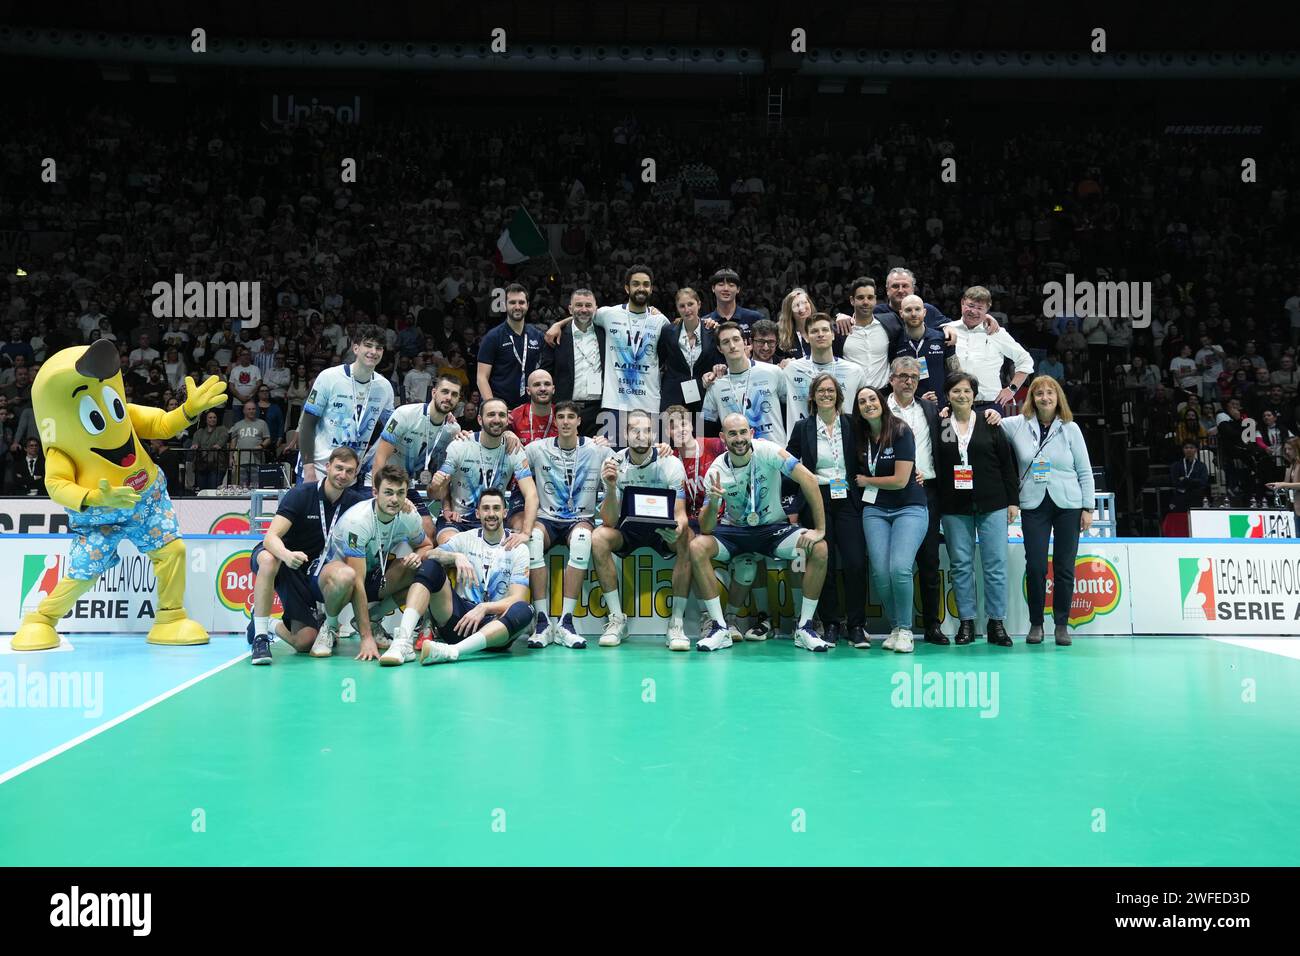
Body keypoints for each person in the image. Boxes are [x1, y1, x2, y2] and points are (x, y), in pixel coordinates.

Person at [689, 412, 830, 652]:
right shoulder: (716, 469)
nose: (739, 438)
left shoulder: (768, 451)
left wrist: (820, 529)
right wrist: (713, 503)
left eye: (743, 432)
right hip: (735, 532)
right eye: (732, 434)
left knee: (819, 548)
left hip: (772, 529)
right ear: (723, 438)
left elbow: (808, 479)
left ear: (751, 433)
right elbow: (707, 527)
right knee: (696, 546)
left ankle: (804, 627)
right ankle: (720, 628)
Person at [382, 489, 533, 666]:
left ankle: (454, 651)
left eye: (496, 508)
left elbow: (518, 597)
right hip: (458, 621)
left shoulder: (518, 548)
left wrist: (485, 608)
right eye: (485, 508)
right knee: (431, 567)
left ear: (505, 513)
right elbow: (430, 554)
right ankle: (403, 642)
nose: (491, 514)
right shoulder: (465, 538)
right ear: (478, 513)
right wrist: (455, 557)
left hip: (494, 628)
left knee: (525, 609)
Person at [996, 376, 1096, 646]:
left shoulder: (1071, 428)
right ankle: (1036, 624)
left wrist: (1088, 507)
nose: (1045, 398)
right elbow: (992, 418)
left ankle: (1062, 625)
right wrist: (988, 411)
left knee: (1064, 567)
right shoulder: (1018, 425)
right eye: (1039, 393)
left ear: (1058, 397)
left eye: (1050, 393)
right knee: (1036, 566)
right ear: (1032, 399)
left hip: (1069, 505)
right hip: (1033, 504)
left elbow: (1084, 471)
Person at [245, 447, 368, 664]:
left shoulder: (355, 503)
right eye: (339, 468)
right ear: (328, 467)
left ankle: (267, 622)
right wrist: (286, 554)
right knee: (268, 559)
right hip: (281, 557)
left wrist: (406, 505)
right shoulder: (301, 494)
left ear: (355, 475)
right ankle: (261, 638)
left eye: (349, 471)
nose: (343, 475)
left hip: (309, 570)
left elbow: (381, 509)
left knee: (305, 642)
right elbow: (270, 538)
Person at [592, 408, 692, 649]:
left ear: (652, 435)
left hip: (662, 532)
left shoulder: (670, 462)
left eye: (646, 431)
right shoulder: (612, 464)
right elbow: (608, 520)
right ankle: (617, 619)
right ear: (626, 435)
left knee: (687, 537)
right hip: (628, 531)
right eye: (635, 430)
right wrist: (612, 486)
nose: (641, 435)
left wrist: (678, 530)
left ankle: (676, 623)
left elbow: (681, 515)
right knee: (598, 538)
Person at [933, 373, 1020, 647]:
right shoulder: (941, 424)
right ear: (948, 395)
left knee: (995, 564)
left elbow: (1008, 464)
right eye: (956, 391)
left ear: (974, 395)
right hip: (953, 506)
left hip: (992, 502)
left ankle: (996, 623)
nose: (962, 395)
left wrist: (1013, 501)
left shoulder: (989, 422)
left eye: (967, 391)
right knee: (961, 566)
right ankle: (966, 623)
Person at [312, 464, 433, 661]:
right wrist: (366, 638)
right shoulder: (358, 522)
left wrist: (418, 555)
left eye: (400, 493)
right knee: (347, 577)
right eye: (388, 493)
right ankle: (330, 626)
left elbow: (426, 545)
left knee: (421, 571)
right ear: (375, 492)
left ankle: (375, 617)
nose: (394, 499)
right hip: (333, 580)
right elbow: (357, 581)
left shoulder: (409, 516)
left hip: (373, 574)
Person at [524, 401, 614, 648]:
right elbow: (506, 451)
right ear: (555, 421)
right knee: (532, 539)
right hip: (547, 519)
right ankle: (541, 621)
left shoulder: (597, 450)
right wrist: (508, 435)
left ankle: (565, 621)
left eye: (570, 417)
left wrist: (663, 449)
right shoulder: (537, 449)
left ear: (578, 421)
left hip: (579, 520)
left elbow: (628, 460)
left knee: (583, 541)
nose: (565, 421)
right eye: (561, 416)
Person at [785, 374, 866, 646]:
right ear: (813, 396)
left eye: (831, 391)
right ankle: (831, 622)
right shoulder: (803, 427)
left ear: (839, 396)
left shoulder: (852, 424)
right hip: (816, 496)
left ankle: (856, 625)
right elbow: (790, 466)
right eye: (821, 391)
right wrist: (794, 505)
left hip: (848, 497)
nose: (826, 395)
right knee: (825, 561)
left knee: (855, 561)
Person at [853, 385, 929, 653]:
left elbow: (899, 480)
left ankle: (906, 630)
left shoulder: (900, 430)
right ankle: (896, 627)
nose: (868, 404)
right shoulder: (859, 435)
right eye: (862, 401)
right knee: (881, 573)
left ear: (881, 402)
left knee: (899, 568)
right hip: (875, 509)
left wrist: (867, 480)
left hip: (909, 506)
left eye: (872, 398)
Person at [430, 397, 537, 546]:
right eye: (491, 414)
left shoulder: (514, 450)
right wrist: (437, 488)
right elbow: (434, 492)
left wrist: (526, 533)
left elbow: (531, 494)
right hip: (458, 519)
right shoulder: (460, 445)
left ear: (507, 420)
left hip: (493, 519)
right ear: (480, 419)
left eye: (501, 415)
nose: (496, 419)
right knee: (451, 545)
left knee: (520, 546)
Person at [296, 325, 395, 486]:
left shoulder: (384, 387)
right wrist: (309, 470)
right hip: (318, 469)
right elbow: (307, 424)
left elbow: (393, 429)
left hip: (350, 474)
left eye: (379, 348)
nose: (373, 351)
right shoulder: (329, 377)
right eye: (368, 345)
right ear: (356, 348)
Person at [373, 375, 463, 542]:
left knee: (428, 534)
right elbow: (380, 456)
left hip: (407, 485)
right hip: (381, 481)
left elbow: (445, 475)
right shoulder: (405, 414)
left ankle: (406, 561)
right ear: (434, 393)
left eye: (454, 394)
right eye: (444, 392)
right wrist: (377, 491)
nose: (448, 397)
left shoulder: (452, 430)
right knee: (382, 530)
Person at [942, 287, 1034, 414]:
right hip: (953, 405)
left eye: (979, 308)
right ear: (962, 302)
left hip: (989, 406)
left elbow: (1025, 360)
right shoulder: (947, 329)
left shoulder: (996, 333)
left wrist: (1011, 389)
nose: (973, 311)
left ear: (987, 309)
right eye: (970, 305)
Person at [702, 321, 787, 445]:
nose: (732, 346)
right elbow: (704, 426)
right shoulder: (716, 384)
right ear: (720, 349)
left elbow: (791, 408)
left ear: (746, 343)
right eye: (726, 342)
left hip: (776, 453)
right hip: (739, 457)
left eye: (736, 339)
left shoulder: (773, 372)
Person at [782, 313, 866, 430]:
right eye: (814, 331)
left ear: (833, 335)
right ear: (806, 337)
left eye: (825, 330)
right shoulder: (791, 370)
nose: (820, 334)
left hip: (844, 441)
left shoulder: (854, 371)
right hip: (802, 443)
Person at [541, 288, 605, 434]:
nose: (583, 309)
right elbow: (546, 373)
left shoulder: (605, 333)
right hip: (565, 409)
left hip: (598, 409)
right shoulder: (556, 336)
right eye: (579, 305)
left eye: (588, 305)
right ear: (570, 309)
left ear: (595, 309)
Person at [476, 283, 546, 410]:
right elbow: (481, 377)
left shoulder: (537, 335)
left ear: (528, 305)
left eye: (521, 302)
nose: (517, 307)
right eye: (512, 302)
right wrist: (494, 408)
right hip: (500, 407)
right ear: (504, 305)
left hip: (528, 408)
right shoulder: (493, 336)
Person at [662, 287, 720, 413]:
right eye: (682, 306)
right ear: (677, 309)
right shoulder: (668, 332)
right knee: (672, 431)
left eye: (690, 304)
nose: (687, 310)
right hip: (673, 394)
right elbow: (660, 359)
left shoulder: (712, 331)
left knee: (699, 431)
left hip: (703, 393)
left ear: (699, 304)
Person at [701, 267, 763, 332]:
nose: (726, 289)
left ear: (738, 289)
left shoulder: (755, 318)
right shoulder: (705, 323)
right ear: (713, 288)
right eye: (721, 285)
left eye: (731, 285)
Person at [508, 368, 559, 445]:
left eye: (547, 384)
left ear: (553, 389)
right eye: (537, 385)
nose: (543, 388)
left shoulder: (561, 415)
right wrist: (506, 433)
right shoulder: (515, 416)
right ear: (528, 390)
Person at [228, 400, 272, 486]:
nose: (251, 411)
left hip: (257, 460)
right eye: (249, 409)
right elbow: (233, 442)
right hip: (241, 461)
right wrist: (231, 457)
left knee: (256, 485)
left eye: (253, 409)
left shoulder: (262, 423)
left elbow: (268, 439)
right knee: (241, 486)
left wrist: (261, 446)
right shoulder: (237, 425)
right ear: (244, 411)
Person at [1265, 437, 1300, 531]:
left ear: (1297, 448)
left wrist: (1283, 485)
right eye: (1286, 449)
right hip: (1296, 508)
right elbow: (1289, 484)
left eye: (1290, 449)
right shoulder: (1293, 464)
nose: (1287, 452)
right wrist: (1278, 485)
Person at [191, 409, 229, 489]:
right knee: (202, 490)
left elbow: (219, 444)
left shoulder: (222, 429)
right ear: (206, 419)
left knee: (213, 490)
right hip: (202, 465)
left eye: (214, 417)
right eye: (210, 417)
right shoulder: (199, 432)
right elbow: (195, 444)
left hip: (217, 465)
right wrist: (196, 446)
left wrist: (207, 447)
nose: (212, 419)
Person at [1170, 440, 1211, 511]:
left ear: (1196, 450)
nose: (1189, 449)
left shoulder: (1201, 465)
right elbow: (1175, 482)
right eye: (1186, 447)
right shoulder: (1176, 465)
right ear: (1183, 450)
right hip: (1181, 497)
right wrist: (1194, 482)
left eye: (1191, 447)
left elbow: (1203, 482)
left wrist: (1186, 480)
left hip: (1196, 497)